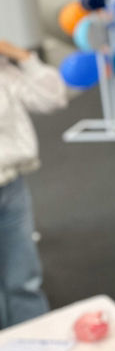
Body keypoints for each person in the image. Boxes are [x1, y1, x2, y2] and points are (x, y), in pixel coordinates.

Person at [0, 41, 67, 328]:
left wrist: (22, 57)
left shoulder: (4, 71)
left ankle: (36, 349)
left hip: (11, 186)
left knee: (24, 279)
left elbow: (53, 98)